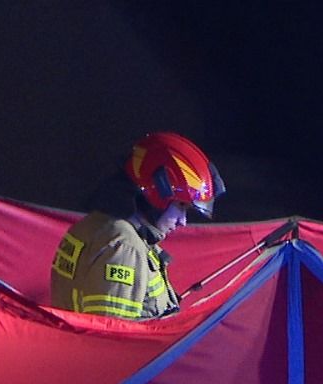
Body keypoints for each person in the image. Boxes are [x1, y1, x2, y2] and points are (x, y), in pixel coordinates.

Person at [50, 131, 224, 319]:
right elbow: (113, 337)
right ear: (157, 194)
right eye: (181, 206)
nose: (183, 221)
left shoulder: (95, 224)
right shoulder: (125, 247)